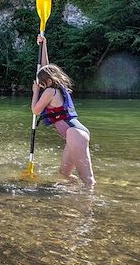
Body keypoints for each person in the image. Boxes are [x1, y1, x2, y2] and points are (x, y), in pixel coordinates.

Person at [31, 35, 95, 187]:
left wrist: (34, 92)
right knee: (64, 174)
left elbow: (35, 110)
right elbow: (45, 68)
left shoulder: (49, 92)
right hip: (75, 134)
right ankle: (74, 194)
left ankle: (89, 205)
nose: (39, 85)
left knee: (88, 180)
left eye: (41, 83)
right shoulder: (56, 87)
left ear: (48, 81)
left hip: (74, 134)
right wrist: (44, 44)